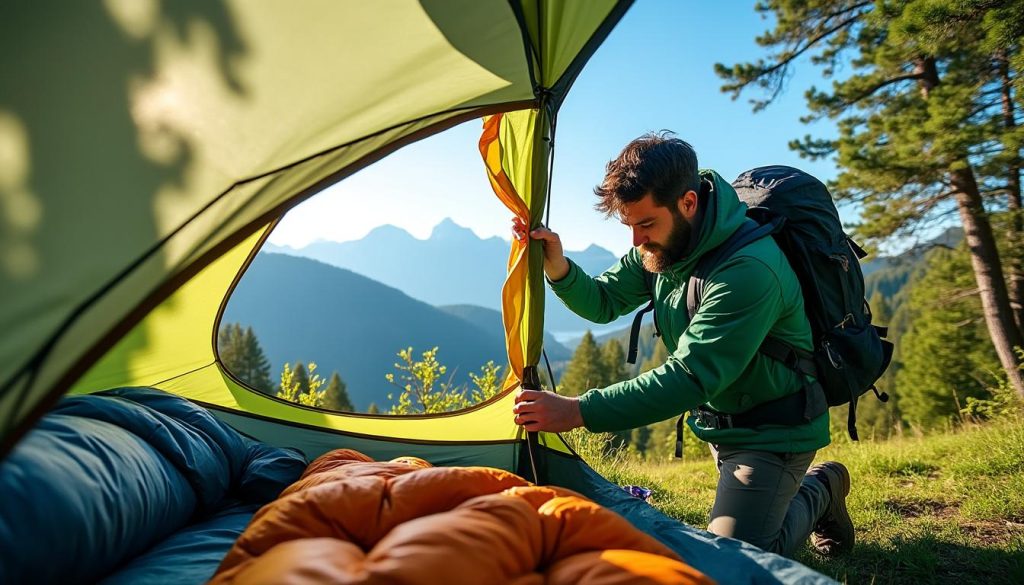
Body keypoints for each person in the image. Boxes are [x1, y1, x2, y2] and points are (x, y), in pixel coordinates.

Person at [511, 132, 854, 558]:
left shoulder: (748, 270)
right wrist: (558, 265)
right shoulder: (664, 244)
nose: (636, 241)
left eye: (646, 224)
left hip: (773, 430)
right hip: (724, 419)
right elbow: (605, 302)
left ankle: (821, 487)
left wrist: (577, 410)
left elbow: (691, 376)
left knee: (734, 560)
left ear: (688, 203)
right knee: (735, 543)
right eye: (629, 226)